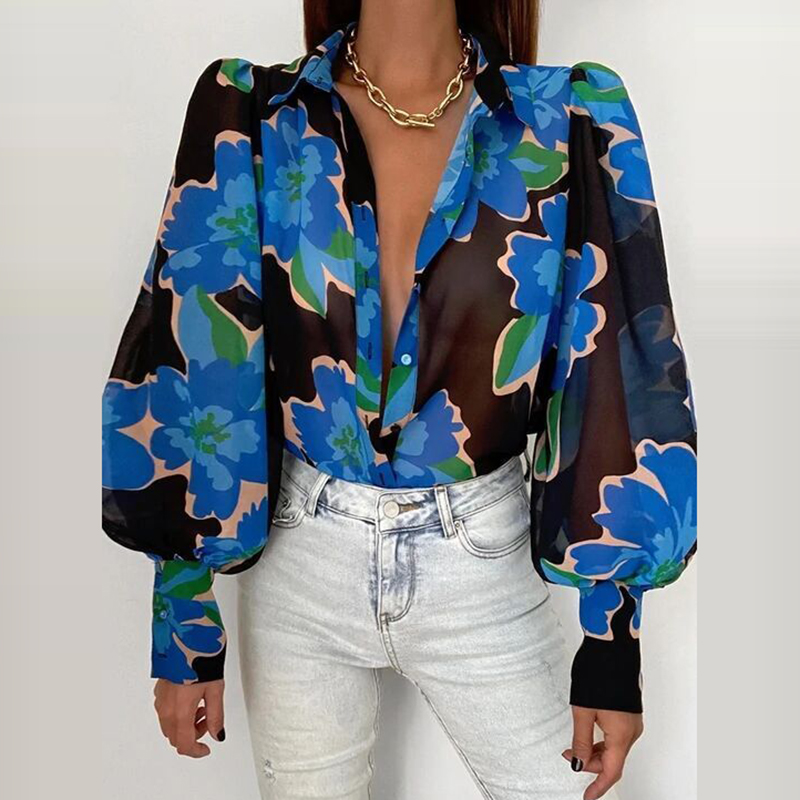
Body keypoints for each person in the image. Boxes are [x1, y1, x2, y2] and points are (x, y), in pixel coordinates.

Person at [100, 1, 698, 798]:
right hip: (298, 566)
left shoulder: (564, 122)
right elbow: (193, 361)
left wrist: (612, 638)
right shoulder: (252, 116)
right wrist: (182, 614)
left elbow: (614, 371)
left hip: (481, 559)